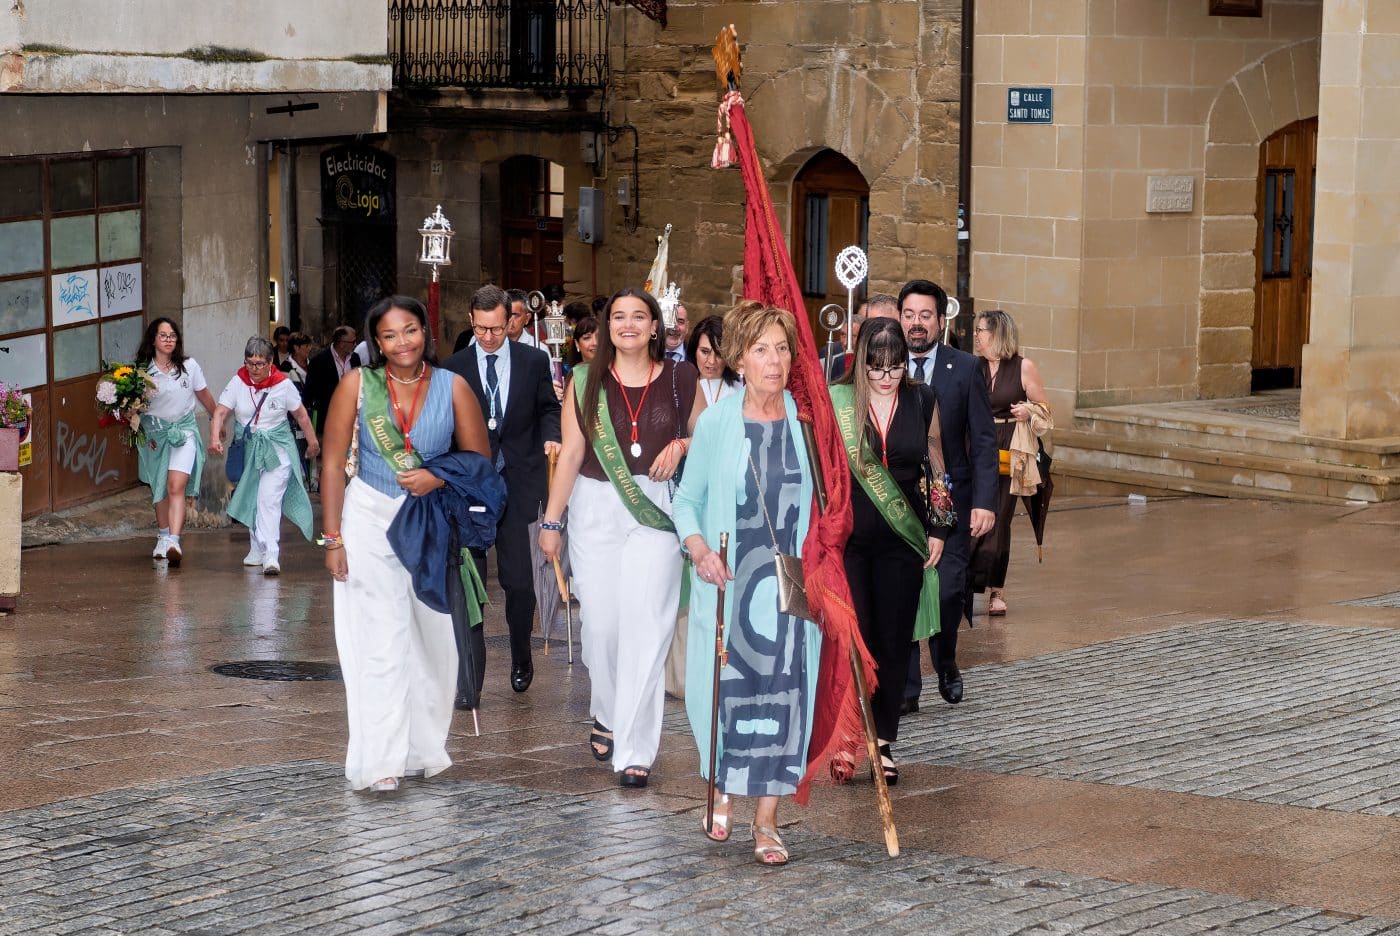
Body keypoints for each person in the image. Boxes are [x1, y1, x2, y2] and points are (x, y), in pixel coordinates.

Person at [319, 295, 492, 792]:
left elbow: (479, 462)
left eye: (410, 330)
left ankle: (420, 748)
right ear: (376, 341)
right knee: (380, 641)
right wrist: (333, 538)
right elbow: (332, 464)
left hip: (430, 522)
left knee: (436, 644)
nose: (402, 343)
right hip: (369, 515)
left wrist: (436, 478)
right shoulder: (357, 385)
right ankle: (380, 760)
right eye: (390, 335)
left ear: (425, 332)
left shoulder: (454, 387)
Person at [671, 300, 818, 867]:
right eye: (761, 350)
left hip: (788, 586)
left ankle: (767, 822)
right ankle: (724, 786)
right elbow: (686, 501)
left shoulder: (806, 423)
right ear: (738, 357)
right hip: (731, 580)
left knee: (787, 697)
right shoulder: (716, 422)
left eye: (782, 348)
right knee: (732, 695)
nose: (774, 361)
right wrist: (700, 549)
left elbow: (825, 507)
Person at [538, 287, 703, 789]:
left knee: (647, 628)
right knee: (603, 628)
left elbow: (706, 434)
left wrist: (680, 443)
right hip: (594, 505)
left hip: (655, 506)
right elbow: (570, 454)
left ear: (656, 325)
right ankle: (606, 708)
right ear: (606, 326)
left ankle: (634, 749)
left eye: (638, 316)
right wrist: (551, 523)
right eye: (618, 317)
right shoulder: (584, 379)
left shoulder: (680, 376)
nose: (627, 324)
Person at [831, 319, 955, 786]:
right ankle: (845, 736)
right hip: (851, 539)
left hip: (904, 539)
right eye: (876, 367)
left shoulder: (922, 399)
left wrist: (940, 528)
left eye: (896, 366)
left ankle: (881, 742)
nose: (886, 377)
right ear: (860, 364)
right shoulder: (839, 400)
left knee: (893, 641)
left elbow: (937, 465)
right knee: (853, 639)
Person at [444, 285, 562, 697]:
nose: (489, 337)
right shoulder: (454, 367)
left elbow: (549, 407)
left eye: (496, 328)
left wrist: (552, 436)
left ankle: (520, 654)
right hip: (473, 485)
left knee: (519, 582)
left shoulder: (533, 361)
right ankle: (470, 674)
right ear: (471, 322)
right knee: (470, 577)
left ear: (510, 321)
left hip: (519, 480)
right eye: (481, 329)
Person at [899, 280, 998, 709]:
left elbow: (983, 440)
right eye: (908, 315)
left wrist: (985, 502)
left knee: (946, 592)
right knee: (901, 591)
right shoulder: (883, 365)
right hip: (899, 504)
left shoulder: (966, 367)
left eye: (925, 316)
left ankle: (946, 662)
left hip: (953, 505)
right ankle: (906, 689)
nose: (916, 324)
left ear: (941, 321)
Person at [208, 337, 320, 576]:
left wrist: (312, 442)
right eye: (250, 363)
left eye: (259, 364)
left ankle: (271, 553)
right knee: (252, 497)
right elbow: (220, 412)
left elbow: (300, 415)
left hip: (277, 449)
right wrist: (215, 439)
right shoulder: (238, 381)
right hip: (250, 448)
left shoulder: (283, 384)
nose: (254, 369)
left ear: (271, 362)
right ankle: (256, 548)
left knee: (267, 499)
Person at [967, 309, 1048, 617]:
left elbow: (1045, 408)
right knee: (970, 513)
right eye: (975, 330)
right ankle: (965, 581)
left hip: (1008, 450)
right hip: (973, 445)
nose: (976, 336)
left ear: (998, 334)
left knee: (998, 520)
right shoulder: (970, 366)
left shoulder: (1023, 367)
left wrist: (1028, 412)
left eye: (981, 331)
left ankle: (995, 590)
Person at [135, 317, 218, 566]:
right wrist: (128, 413)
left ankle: (174, 539)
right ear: (153, 339)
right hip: (154, 436)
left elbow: (203, 394)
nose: (169, 339)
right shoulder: (141, 371)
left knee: (175, 486)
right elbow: (133, 406)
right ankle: (162, 536)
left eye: (172, 335)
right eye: (163, 335)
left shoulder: (189, 366)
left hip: (184, 433)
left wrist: (217, 418)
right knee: (159, 488)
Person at [305, 326, 360, 432]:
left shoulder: (355, 358)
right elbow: (310, 393)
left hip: (352, 418)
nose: (355, 345)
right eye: (353, 342)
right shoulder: (318, 362)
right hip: (328, 419)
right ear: (342, 343)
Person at [281, 332, 314, 483]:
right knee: (297, 449)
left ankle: (310, 479)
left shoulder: (313, 365)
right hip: (293, 418)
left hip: (311, 414)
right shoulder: (286, 368)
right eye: (306, 346)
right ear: (296, 347)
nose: (309, 348)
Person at [686, 314, 741, 405]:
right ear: (694, 350)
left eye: (719, 354)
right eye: (705, 351)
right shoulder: (681, 385)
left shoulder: (740, 391)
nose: (712, 361)